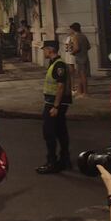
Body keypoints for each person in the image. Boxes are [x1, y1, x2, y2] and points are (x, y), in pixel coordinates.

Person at [38, 40, 72, 174]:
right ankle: (64, 160)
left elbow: (60, 86)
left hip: (55, 104)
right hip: (53, 103)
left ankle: (52, 162)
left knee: (49, 133)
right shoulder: (54, 63)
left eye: (45, 49)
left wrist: (56, 106)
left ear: (50, 49)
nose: (44, 52)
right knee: (60, 131)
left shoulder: (59, 65)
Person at [69, 22, 91, 96]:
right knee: (82, 75)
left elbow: (76, 48)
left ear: (73, 29)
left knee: (82, 75)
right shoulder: (84, 36)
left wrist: (72, 52)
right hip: (85, 57)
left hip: (79, 58)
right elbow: (89, 47)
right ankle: (80, 91)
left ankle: (85, 92)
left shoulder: (75, 37)